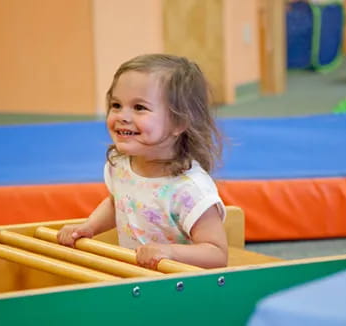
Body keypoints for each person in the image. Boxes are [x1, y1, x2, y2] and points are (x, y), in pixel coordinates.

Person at [57, 54, 227, 269]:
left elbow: (217, 253)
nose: (122, 116)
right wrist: (89, 227)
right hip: (137, 279)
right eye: (116, 105)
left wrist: (169, 252)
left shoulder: (189, 189)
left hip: (180, 286)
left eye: (139, 108)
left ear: (178, 122)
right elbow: (117, 203)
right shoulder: (120, 165)